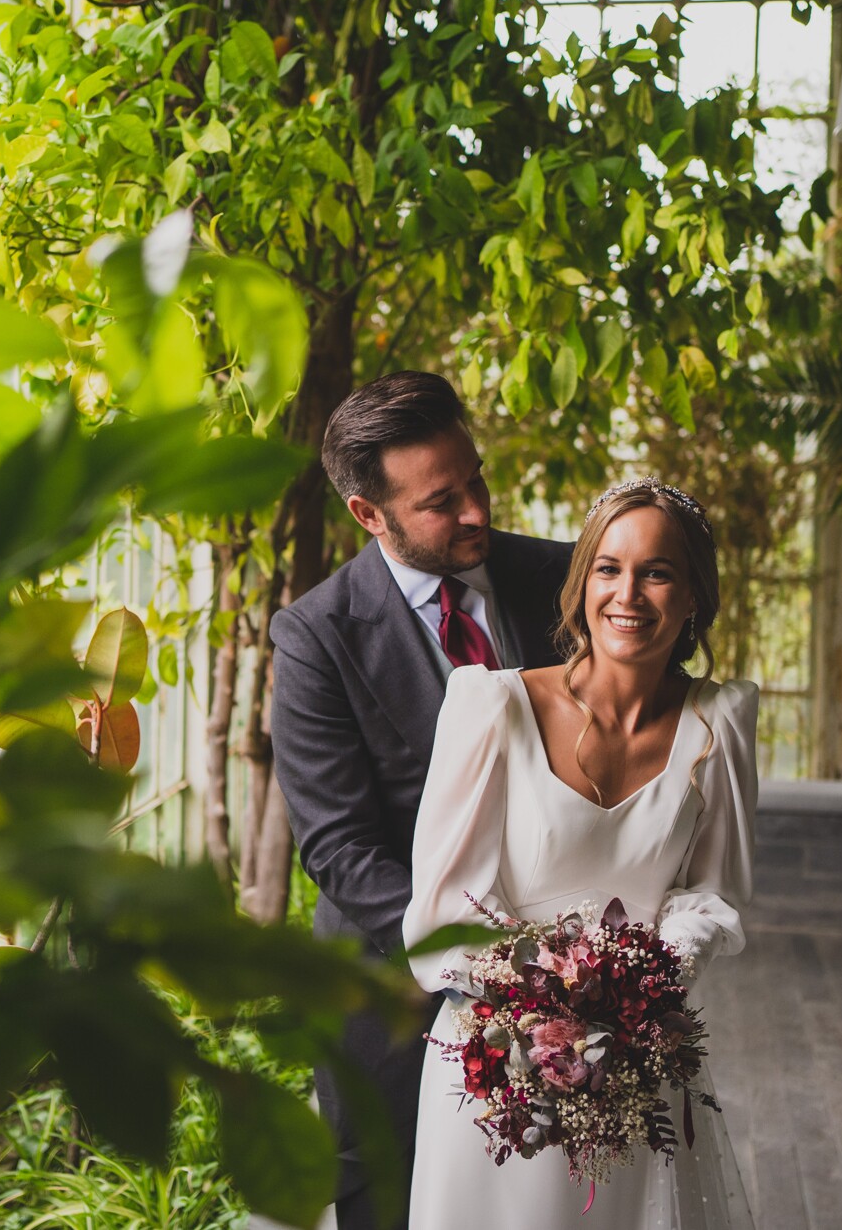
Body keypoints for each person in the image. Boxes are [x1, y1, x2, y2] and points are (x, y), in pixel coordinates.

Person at [402, 478, 760, 1229]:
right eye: (608, 567)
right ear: (581, 584)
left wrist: (639, 986)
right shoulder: (490, 706)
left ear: (693, 595)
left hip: (640, 1071)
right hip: (497, 1072)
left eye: (658, 571)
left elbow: (711, 892)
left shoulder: (719, 722)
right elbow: (441, 917)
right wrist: (545, 1002)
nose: (628, 593)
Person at [270, 371, 574, 1230]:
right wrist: (478, 965)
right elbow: (337, 846)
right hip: (389, 991)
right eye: (444, 500)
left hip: (566, 975)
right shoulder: (314, 637)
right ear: (371, 514)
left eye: (476, 478)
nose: (478, 508)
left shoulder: (564, 579)